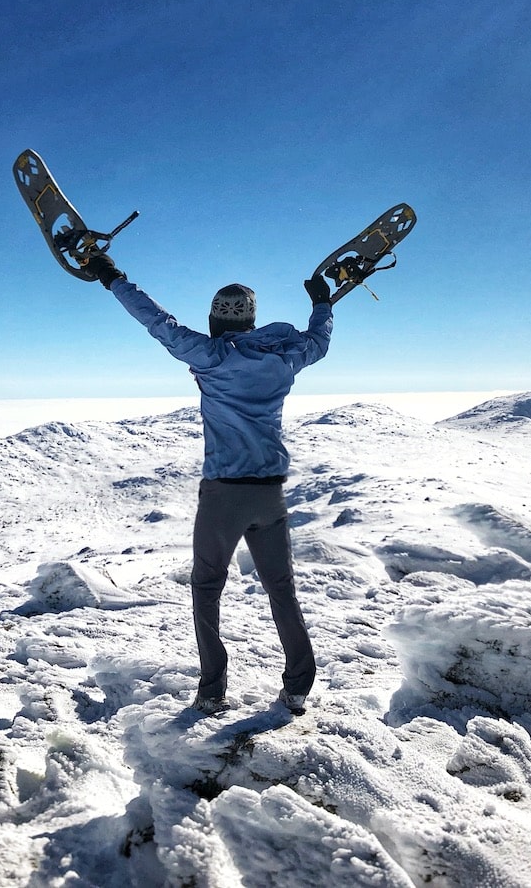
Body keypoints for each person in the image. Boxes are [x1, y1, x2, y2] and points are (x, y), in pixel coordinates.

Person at [81, 251, 333, 716]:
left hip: (224, 493)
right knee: (282, 589)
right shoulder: (284, 359)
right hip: (270, 493)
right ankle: (298, 687)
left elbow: (157, 321)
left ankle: (213, 690)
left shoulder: (211, 355)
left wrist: (112, 277)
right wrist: (322, 304)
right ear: (254, 320)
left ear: (215, 322)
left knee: (207, 587)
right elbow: (317, 342)